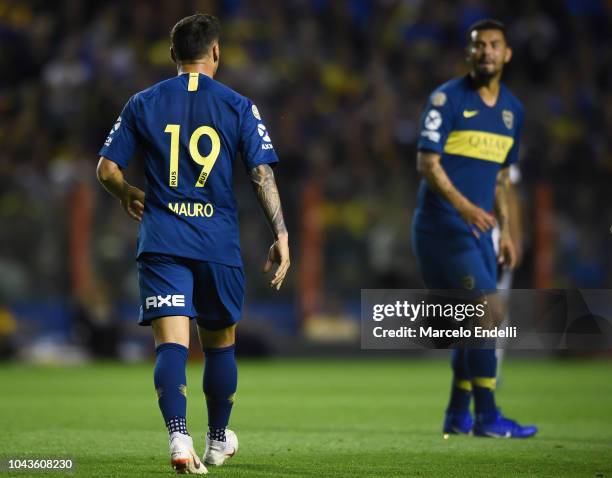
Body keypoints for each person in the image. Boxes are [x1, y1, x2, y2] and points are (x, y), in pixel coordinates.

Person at [96, 13, 290, 473]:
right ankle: (217, 441)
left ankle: (178, 439)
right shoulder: (238, 105)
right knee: (220, 345)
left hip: (162, 240)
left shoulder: (142, 102)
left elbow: (106, 169)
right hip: (216, 243)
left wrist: (127, 193)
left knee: (171, 346)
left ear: (172, 56)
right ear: (216, 52)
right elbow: (261, 172)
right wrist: (280, 233)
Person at [411, 19, 536, 438]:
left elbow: (502, 176)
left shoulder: (512, 111)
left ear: (507, 54)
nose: (485, 52)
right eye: (478, 45)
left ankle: (456, 414)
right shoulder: (446, 99)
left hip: (482, 232)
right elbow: (427, 164)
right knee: (487, 312)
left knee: (472, 322)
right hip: (443, 228)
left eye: (494, 45)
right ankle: (487, 416)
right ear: (469, 53)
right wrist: (465, 208)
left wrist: (507, 231)